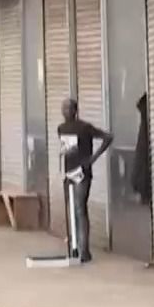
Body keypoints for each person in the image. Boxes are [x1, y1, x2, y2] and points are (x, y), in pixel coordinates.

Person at [57, 99, 110, 262]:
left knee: (80, 208)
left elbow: (108, 137)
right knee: (71, 209)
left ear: (75, 110)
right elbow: (66, 150)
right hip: (68, 173)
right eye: (63, 108)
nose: (65, 111)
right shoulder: (61, 128)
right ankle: (73, 246)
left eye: (68, 108)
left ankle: (84, 250)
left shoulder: (84, 127)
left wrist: (93, 158)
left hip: (82, 173)